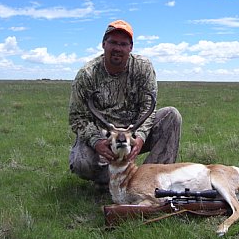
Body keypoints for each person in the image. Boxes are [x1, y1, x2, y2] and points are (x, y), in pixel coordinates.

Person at [69, 19, 182, 187]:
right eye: (113, 42)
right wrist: (96, 141)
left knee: (171, 116)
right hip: (105, 136)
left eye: (123, 44)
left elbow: (148, 109)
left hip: (133, 133)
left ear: (130, 47)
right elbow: (77, 117)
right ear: (103, 44)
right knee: (81, 162)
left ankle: (151, 181)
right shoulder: (87, 74)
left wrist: (141, 138)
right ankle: (111, 181)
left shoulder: (143, 68)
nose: (117, 48)